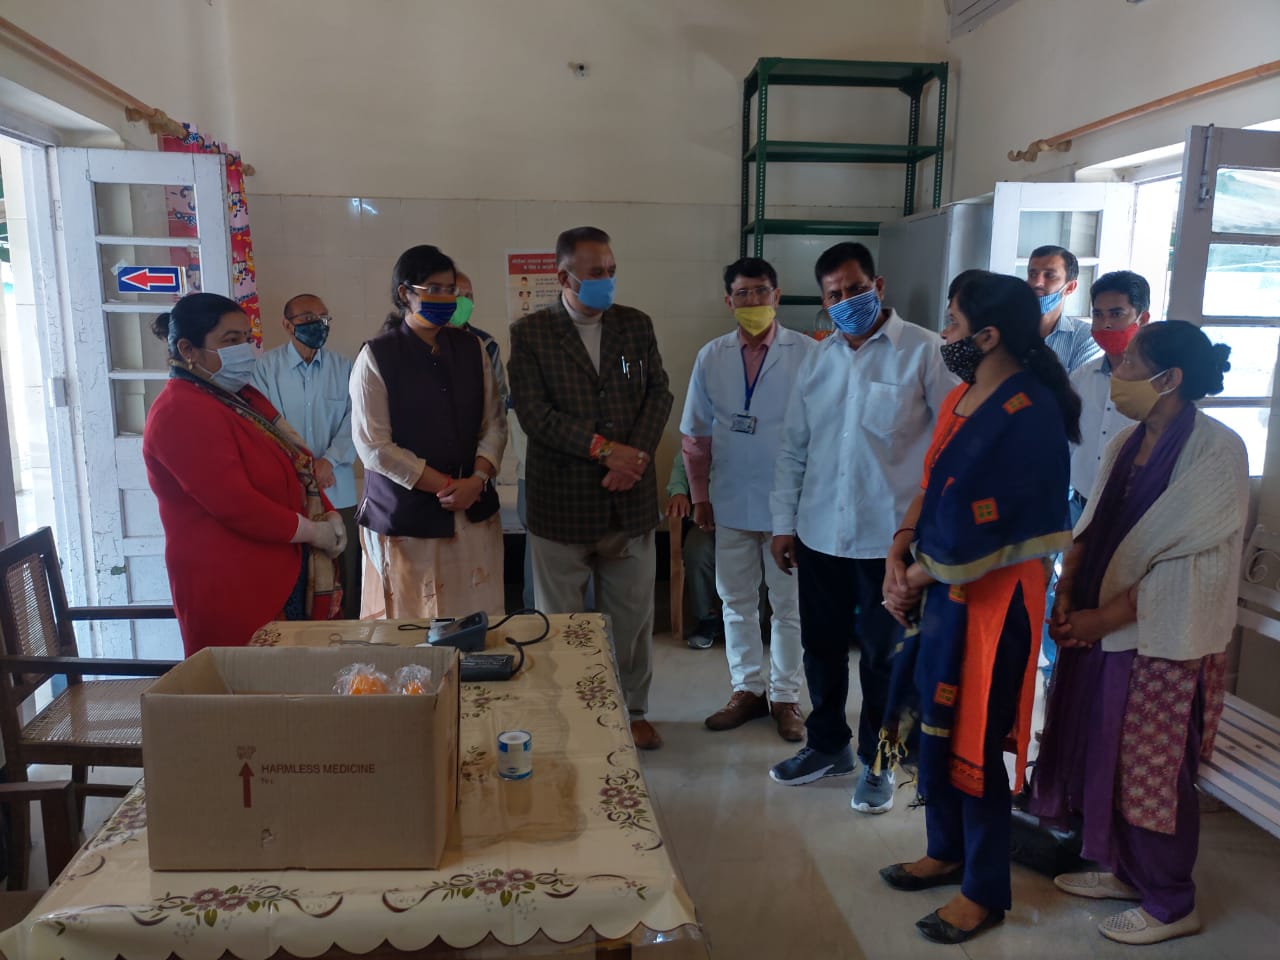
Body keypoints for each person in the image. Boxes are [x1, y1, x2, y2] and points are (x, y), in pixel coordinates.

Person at [877, 271, 1078, 945]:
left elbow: (999, 521)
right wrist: (900, 547)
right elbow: (931, 484)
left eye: (955, 324)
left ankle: (984, 890)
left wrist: (917, 575)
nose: (946, 335)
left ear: (988, 336)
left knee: (976, 738)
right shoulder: (961, 397)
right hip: (938, 589)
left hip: (993, 604)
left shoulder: (1029, 411)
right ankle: (945, 850)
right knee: (935, 723)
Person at [1032, 321, 1247, 946]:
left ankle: (1171, 901)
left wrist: (1101, 618)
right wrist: (1067, 595)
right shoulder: (1128, 441)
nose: (1117, 375)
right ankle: (1127, 872)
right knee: (1105, 751)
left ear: (1169, 379)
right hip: (1102, 628)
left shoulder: (1218, 450)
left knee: (1153, 770)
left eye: (1129, 365)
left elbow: (1187, 565)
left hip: (1164, 639)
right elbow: (1093, 525)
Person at [769, 242, 955, 810]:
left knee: (885, 658)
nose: (846, 301)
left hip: (890, 543)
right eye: (834, 294)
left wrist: (929, 539)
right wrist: (783, 524)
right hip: (820, 533)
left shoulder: (924, 352)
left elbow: (949, 451)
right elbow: (794, 448)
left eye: (855, 288)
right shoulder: (817, 360)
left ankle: (882, 760)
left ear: (878, 286)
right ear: (823, 302)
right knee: (821, 649)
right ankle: (828, 746)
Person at [508, 226, 673, 751]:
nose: (607, 281)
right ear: (564, 277)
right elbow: (535, 414)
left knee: (633, 620)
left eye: (611, 271)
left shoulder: (634, 325)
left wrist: (634, 457)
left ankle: (633, 710)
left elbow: (659, 394)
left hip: (630, 502)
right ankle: (570, 711)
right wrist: (605, 450)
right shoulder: (532, 333)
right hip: (562, 506)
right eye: (596, 273)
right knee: (562, 622)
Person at [143, 292, 346, 655]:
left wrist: (327, 512)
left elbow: (293, 463)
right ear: (188, 349)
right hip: (233, 587)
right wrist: (312, 531)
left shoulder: (237, 398)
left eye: (247, 338)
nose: (245, 350)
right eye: (231, 340)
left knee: (295, 682)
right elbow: (236, 504)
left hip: (279, 572)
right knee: (253, 687)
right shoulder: (178, 411)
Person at [681, 257, 814, 741]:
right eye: (743, 293)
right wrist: (699, 496)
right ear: (729, 301)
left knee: (788, 606)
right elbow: (694, 434)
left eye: (761, 291)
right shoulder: (711, 356)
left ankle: (785, 696)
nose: (753, 301)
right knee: (735, 601)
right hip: (731, 498)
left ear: (777, 296)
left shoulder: (807, 353)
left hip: (790, 507)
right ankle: (746, 690)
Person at [350, 245, 507, 619]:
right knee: (415, 627)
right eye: (434, 289)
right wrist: (446, 486)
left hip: (472, 511)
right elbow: (374, 446)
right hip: (408, 521)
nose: (446, 298)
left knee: (477, 622)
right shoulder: (377, 356)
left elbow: (495, 423)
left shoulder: (473, 349)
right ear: (405, 293)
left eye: (451, 289)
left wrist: (477, 480)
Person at [1041, 272, 1153, 680]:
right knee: (1063, 595)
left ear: (1142, 317)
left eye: (1117, 314)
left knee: (1112, 600)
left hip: (1132, 512)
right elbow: (1065, 445)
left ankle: (1104, 684)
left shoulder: (1157, 386)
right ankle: (1058, 678)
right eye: (1099, 314)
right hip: (1080, 504)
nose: (1105, 324)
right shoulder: (1082, 378)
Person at [251, 294, 360, 619]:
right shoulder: (265, 369)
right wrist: (304, 467)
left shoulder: (345, 368)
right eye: (309, 318)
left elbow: (356, 421)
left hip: (337, 489)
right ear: (288, 325)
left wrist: (330, 460)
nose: (319, 325)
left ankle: (348, 640)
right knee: (295, 576)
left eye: (324, 318)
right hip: (288, 491)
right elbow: (263, 423)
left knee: (344, 576)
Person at [666, 456, 719, 650]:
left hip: (749, 521)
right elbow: (682, 466)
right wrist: (678, 492)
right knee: (697, 550)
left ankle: (753, 620)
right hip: (707, 519)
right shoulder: (700, 439)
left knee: (756, 555)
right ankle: (707, 619)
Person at [1027, 245, 1101, 374]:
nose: (1037, 283)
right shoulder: (1008, 329)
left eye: (1049, 275)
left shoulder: (1085, 338)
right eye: (1033, 274)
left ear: (1070, 287)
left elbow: (1080, 385)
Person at [453, 271, 511, 409]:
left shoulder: (487, 345)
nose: (464, 302)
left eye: (468, 296)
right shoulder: (428, 340)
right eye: (457, 295)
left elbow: (500, 399)